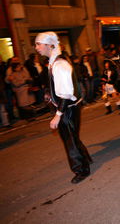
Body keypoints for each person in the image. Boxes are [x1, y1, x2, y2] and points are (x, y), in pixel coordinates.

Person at [35, 31, 92, 184]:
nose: (36, 48)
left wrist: (58, 115)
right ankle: (85, 160)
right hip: (67, 107)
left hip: (67, 108)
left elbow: (66, 94)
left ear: (48, 45)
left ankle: (81, 169)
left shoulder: (59, 65)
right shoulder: (54, 62)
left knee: (70, 140)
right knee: (72, 137)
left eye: (38, 44)